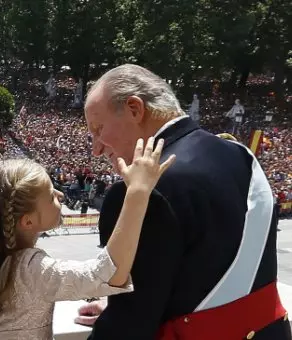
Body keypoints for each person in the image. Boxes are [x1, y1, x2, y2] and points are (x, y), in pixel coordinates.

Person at [79, 64, 291, 339]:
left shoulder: (139, 192)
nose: (96, 149)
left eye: (98, 129)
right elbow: (204, 271)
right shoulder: (239, 154)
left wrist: (116, 312)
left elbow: (129, 324)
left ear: (134, 109)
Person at [0, 140, 175, 340]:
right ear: (28, 221)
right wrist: (138, 193)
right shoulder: (31, 271)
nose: (59, 194)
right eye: (50, 195)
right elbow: (109, 273)